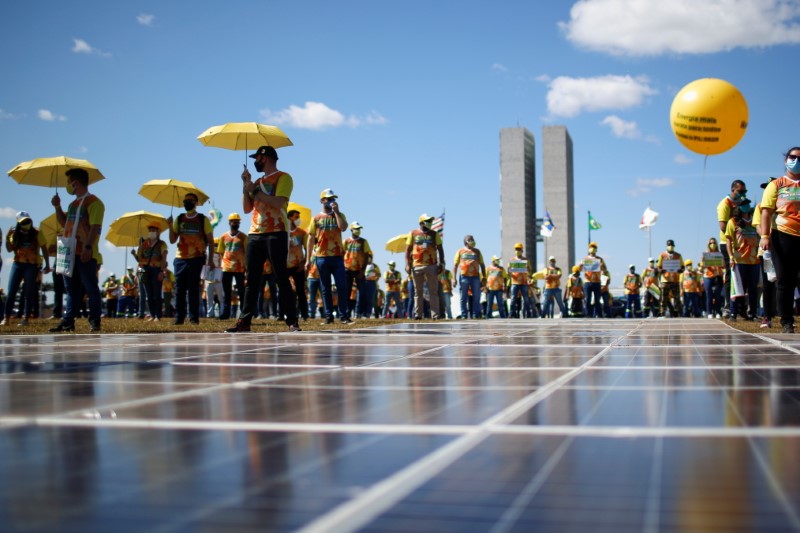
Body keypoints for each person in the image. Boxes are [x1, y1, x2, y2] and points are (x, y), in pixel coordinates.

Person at [227, 146, 299, 332]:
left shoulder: (284, 177)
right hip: (255, 233)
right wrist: (246, 187)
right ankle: (244, 322)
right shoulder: (256, 181)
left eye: (257, 158)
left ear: (265, 158)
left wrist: (256, 191)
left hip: (276, 231)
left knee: (281, 277)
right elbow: (246, 208)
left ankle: (292, 321)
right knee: (251, 280)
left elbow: (279, 202)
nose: (255, 161)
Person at [49, 168, 105, 332]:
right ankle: (68, 321)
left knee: (91, 288)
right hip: (69, 252)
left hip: (85, 252)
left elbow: (95, 227)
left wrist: (88, 247)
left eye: (69, 182)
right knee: (71, 290)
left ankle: (95, 321)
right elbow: (63, 222)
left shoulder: (95, 202)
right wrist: (57, 207)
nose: (67, 186)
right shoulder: (72, 205)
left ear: (76, 183)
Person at [168, 192, 214, 325]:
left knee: (193, 288)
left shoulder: (202, 219)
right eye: (185, 201)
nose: (187, 203)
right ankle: (179, 318)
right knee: (179, 289)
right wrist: (170, 226)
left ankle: (193, 317)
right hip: (180, 258)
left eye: (190, 200)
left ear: (196, 203)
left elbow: (210, 241)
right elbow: (172, 240)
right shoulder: (179, 218)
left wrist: (210, 260)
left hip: (197, 257)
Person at [306, 189, 351, 324]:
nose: (332, 201)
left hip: (337, 257)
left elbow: (343, 227)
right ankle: (328, 317)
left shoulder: (339, 214)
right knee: (325, 289)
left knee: (341, 286)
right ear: (322, 201)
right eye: (328, 198)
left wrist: (336, 212)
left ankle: (343, 316)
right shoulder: (316, 218)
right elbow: (310, 238)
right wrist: (308, 259)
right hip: (321, 257)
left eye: (333, 198)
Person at [2, 212, 49, 326]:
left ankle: (26, 318)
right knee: (12, 291)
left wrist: (47, 264)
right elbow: (9, 249)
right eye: (23, 222)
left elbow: (44, 248)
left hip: (31, 265)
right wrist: (7, 238)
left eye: (28, 221)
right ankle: (6, 318)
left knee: (28, 292)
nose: (26, 223)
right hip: (17, 264)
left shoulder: (37, 232)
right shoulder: (15, 233)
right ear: (18, 222)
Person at [717, 179, 748, 315]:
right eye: (740, 191)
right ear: (733, 190)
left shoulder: (740, 204)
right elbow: (723, 226)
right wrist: (736, 232)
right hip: (727, 243)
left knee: (742, 275)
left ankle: (741, 307)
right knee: (731, 274)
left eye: (745, 192)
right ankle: (728, 306)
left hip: (741, 244)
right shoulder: (725, 204)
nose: (743, 194)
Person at [405, 214, 445, 320]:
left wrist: (441, 263)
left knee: (433, 291)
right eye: (427, 220)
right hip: (416, 266)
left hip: (431, 265)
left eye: (431, 220)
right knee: (418, 292)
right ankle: (418, 315)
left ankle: (435, 315)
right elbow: (408, 249)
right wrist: (407, 264)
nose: (430, 222)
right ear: (421, 222)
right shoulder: (413, 233)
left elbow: (440, 249)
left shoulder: (434, 234)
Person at [726, 199, 759, 321]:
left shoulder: (755, 220)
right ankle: (733, 313)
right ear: (738, 208)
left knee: (753, 288)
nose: (746, 206)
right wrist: (730, 256)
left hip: (754, 260)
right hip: (739, 260)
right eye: (743, 205)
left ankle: (753, 314)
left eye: (748, 204)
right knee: (738, 288)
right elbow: (729, 240)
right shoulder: (733, 222)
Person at [753, 178, 777, 328]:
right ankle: (767, 316)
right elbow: (757, 226)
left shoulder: (782, 205)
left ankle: (785, 316)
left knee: (785, 282)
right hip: (767, 252)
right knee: (768, 284)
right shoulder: (760, 206)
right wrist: (766, 237)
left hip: (785, 248)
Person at [217, 213, 247, 320]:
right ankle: (226, 313)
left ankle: (243, 313)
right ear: (229, 223)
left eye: (238, 222)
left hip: (239, 267)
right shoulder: (223, 237)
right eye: (234, 222)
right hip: (227, 268)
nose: (236, 223)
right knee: (227, 291)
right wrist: (223, 263)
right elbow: (221, 251)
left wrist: (246, 267)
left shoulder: (243, 237)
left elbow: (247, 252)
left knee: (241, 292)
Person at [135, 224, 168, 321]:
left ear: (158, 232)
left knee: (156, 294)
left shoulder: (162, 244)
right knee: (148, 294)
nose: (151, 232)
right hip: (145, 270)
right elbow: (139, 259)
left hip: (156, 270)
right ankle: (152, 315)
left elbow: (164, 258)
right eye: (150, 230)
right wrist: (135, 253)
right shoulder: (143, 244)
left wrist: (162, 271)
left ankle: (158, 316)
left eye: (154, 230)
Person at [343, 221, 372, 319]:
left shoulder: (363, 241)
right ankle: (346, 313)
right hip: (347, 269)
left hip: (359, 270)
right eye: (356, 228)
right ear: (351, 229)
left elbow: (367, 255)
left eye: (359, 229)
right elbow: (342, 253)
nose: (358, 230)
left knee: (362, 292)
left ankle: (358, 313)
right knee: (346, 292)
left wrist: (362, 271)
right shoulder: (346, 241)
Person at [453, 235, 486, 319]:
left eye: (472, 239)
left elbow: (482, 264)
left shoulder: (477, 251)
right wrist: (454, 278)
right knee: (463, 297)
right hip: (464, 277)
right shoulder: (460, 251)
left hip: (475, 277)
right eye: (469, 240)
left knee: (476, 296)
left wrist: (484, 277)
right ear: (466, 242)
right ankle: (464, 314)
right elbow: (455, 265)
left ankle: (475, 314)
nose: (472, 241)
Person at [286, 209, 309, 321]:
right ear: (290, 217)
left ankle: (304, 315)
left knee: (300, 291)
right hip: (285, 266)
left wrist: (303, 262)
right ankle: (282, 314)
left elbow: (306, 248)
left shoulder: (302, 232)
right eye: (296, 217)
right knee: (285, 291)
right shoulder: (283, 232)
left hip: (298, 265)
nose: (298, 220)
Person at [580, 242, 609, 317]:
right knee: (588, 299)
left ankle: (599, 314)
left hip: (597, 282)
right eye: (591, 247)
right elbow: (579, 269)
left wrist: (602, 266)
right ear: (588, 249)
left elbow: (605, 270)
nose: (592, 248)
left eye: (594, 247)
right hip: (587, 282)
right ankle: (588, 314)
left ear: (596, 249)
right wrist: (580, 266)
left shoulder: (599, 259)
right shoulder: (585, 259)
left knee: (597, 300)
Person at [657, 239, 684, 318]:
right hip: (665, 280)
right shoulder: (662, 255)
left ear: (674, 246)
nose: (670, 247)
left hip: (675, 279)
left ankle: (677, 313)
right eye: (669, 245)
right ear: (666, 246)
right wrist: (661, 270)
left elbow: (682, 267)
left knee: (677, 298)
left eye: (671, 245)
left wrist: (680, 270)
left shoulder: (678, 255)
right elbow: (658, 267)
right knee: (663, 298)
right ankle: (662, 313)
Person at [508, 243, 534, 318]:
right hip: (514, 282)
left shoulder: (526, 260)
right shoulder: (512, 260)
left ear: (522, 250)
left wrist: (528, 275)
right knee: (513, 299)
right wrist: (509, 272)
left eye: (519, 249)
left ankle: (529, 314)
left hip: (523, 283)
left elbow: (530, 269)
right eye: (516, 249)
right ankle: (511, 314)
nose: (517, 250)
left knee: (526, 299)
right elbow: (509, 270)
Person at [702, 238, 724, 319]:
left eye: (714, 243)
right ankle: (709, 313)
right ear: (708, 244)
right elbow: (702, 266)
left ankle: (718, 312)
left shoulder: (719, 254)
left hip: (717, 276)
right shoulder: (706, 254)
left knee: (717, 295)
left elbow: (723, 265)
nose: (712, 244)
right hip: (707, 276)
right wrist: (705, 263)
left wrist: (720, 263)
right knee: (709, 296)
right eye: (711, 243)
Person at [306, 254, 321, 319]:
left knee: (324, 297)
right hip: (311, 277)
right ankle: (312, 314)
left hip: (322, 277)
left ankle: (326, 315)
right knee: (312, 298)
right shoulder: (309, 251)